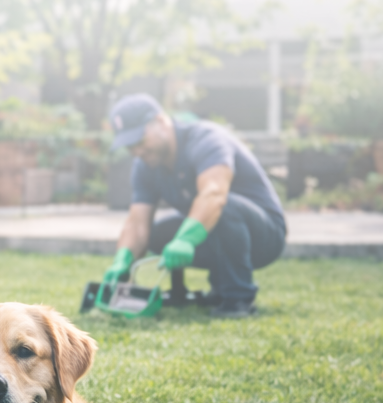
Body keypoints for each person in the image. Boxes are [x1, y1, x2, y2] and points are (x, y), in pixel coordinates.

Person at [103, 94, 287, 318]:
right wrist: (123, 259)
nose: (137, 151)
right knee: (158, 232)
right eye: (130, 146)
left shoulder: (206, 139)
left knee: (224, 206)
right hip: (216, 234)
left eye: (140, 141)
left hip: (264, 236)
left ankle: (238, 299)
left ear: (161, 122)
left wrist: (186, 240)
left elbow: (214, 194)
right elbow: (138, 223)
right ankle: (181, 293)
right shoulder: (145, 165)